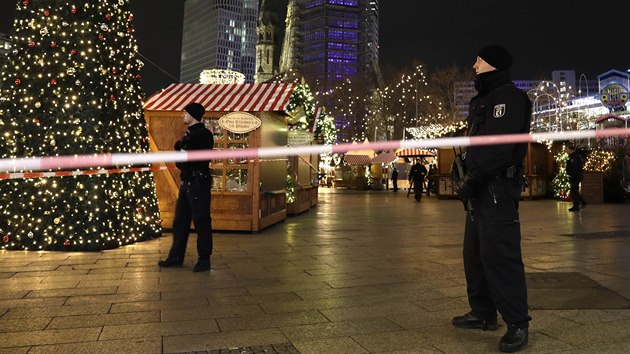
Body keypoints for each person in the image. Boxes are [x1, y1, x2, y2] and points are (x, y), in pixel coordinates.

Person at [451, 45, 532, 352]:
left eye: (479, 60)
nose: (473, 64)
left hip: (497, 188)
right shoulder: (483, 99)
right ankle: (483, 313)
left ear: (493, 65)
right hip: (481, 190)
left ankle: (517, 323)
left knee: (502, 256)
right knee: (474, 255)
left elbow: (501, 149)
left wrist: (473, 178)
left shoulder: (508, 98)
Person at [158, 102, 214, 272]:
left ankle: (204, 260)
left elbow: (200, 160)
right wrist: (182, 150)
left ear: (193, 115)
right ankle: (176, 256)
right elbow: (181, 162)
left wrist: (186, 151)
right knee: (180, 221)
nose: (183, 115)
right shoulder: (190, 134)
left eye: (185, 112)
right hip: (188, 182)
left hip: (198, 182)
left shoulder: (203, 134)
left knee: (201, 221)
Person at [566, 144, 586, 211]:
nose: (566, 150)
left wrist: (572, 174)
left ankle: (577, 205)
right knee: (574, 191)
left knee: (574, 191)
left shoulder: (574, 157)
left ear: (570, 149)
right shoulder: (572, 156)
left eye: (567, 149)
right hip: (575, 176)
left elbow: (574, 168)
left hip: (575, 176)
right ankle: (580, 203)